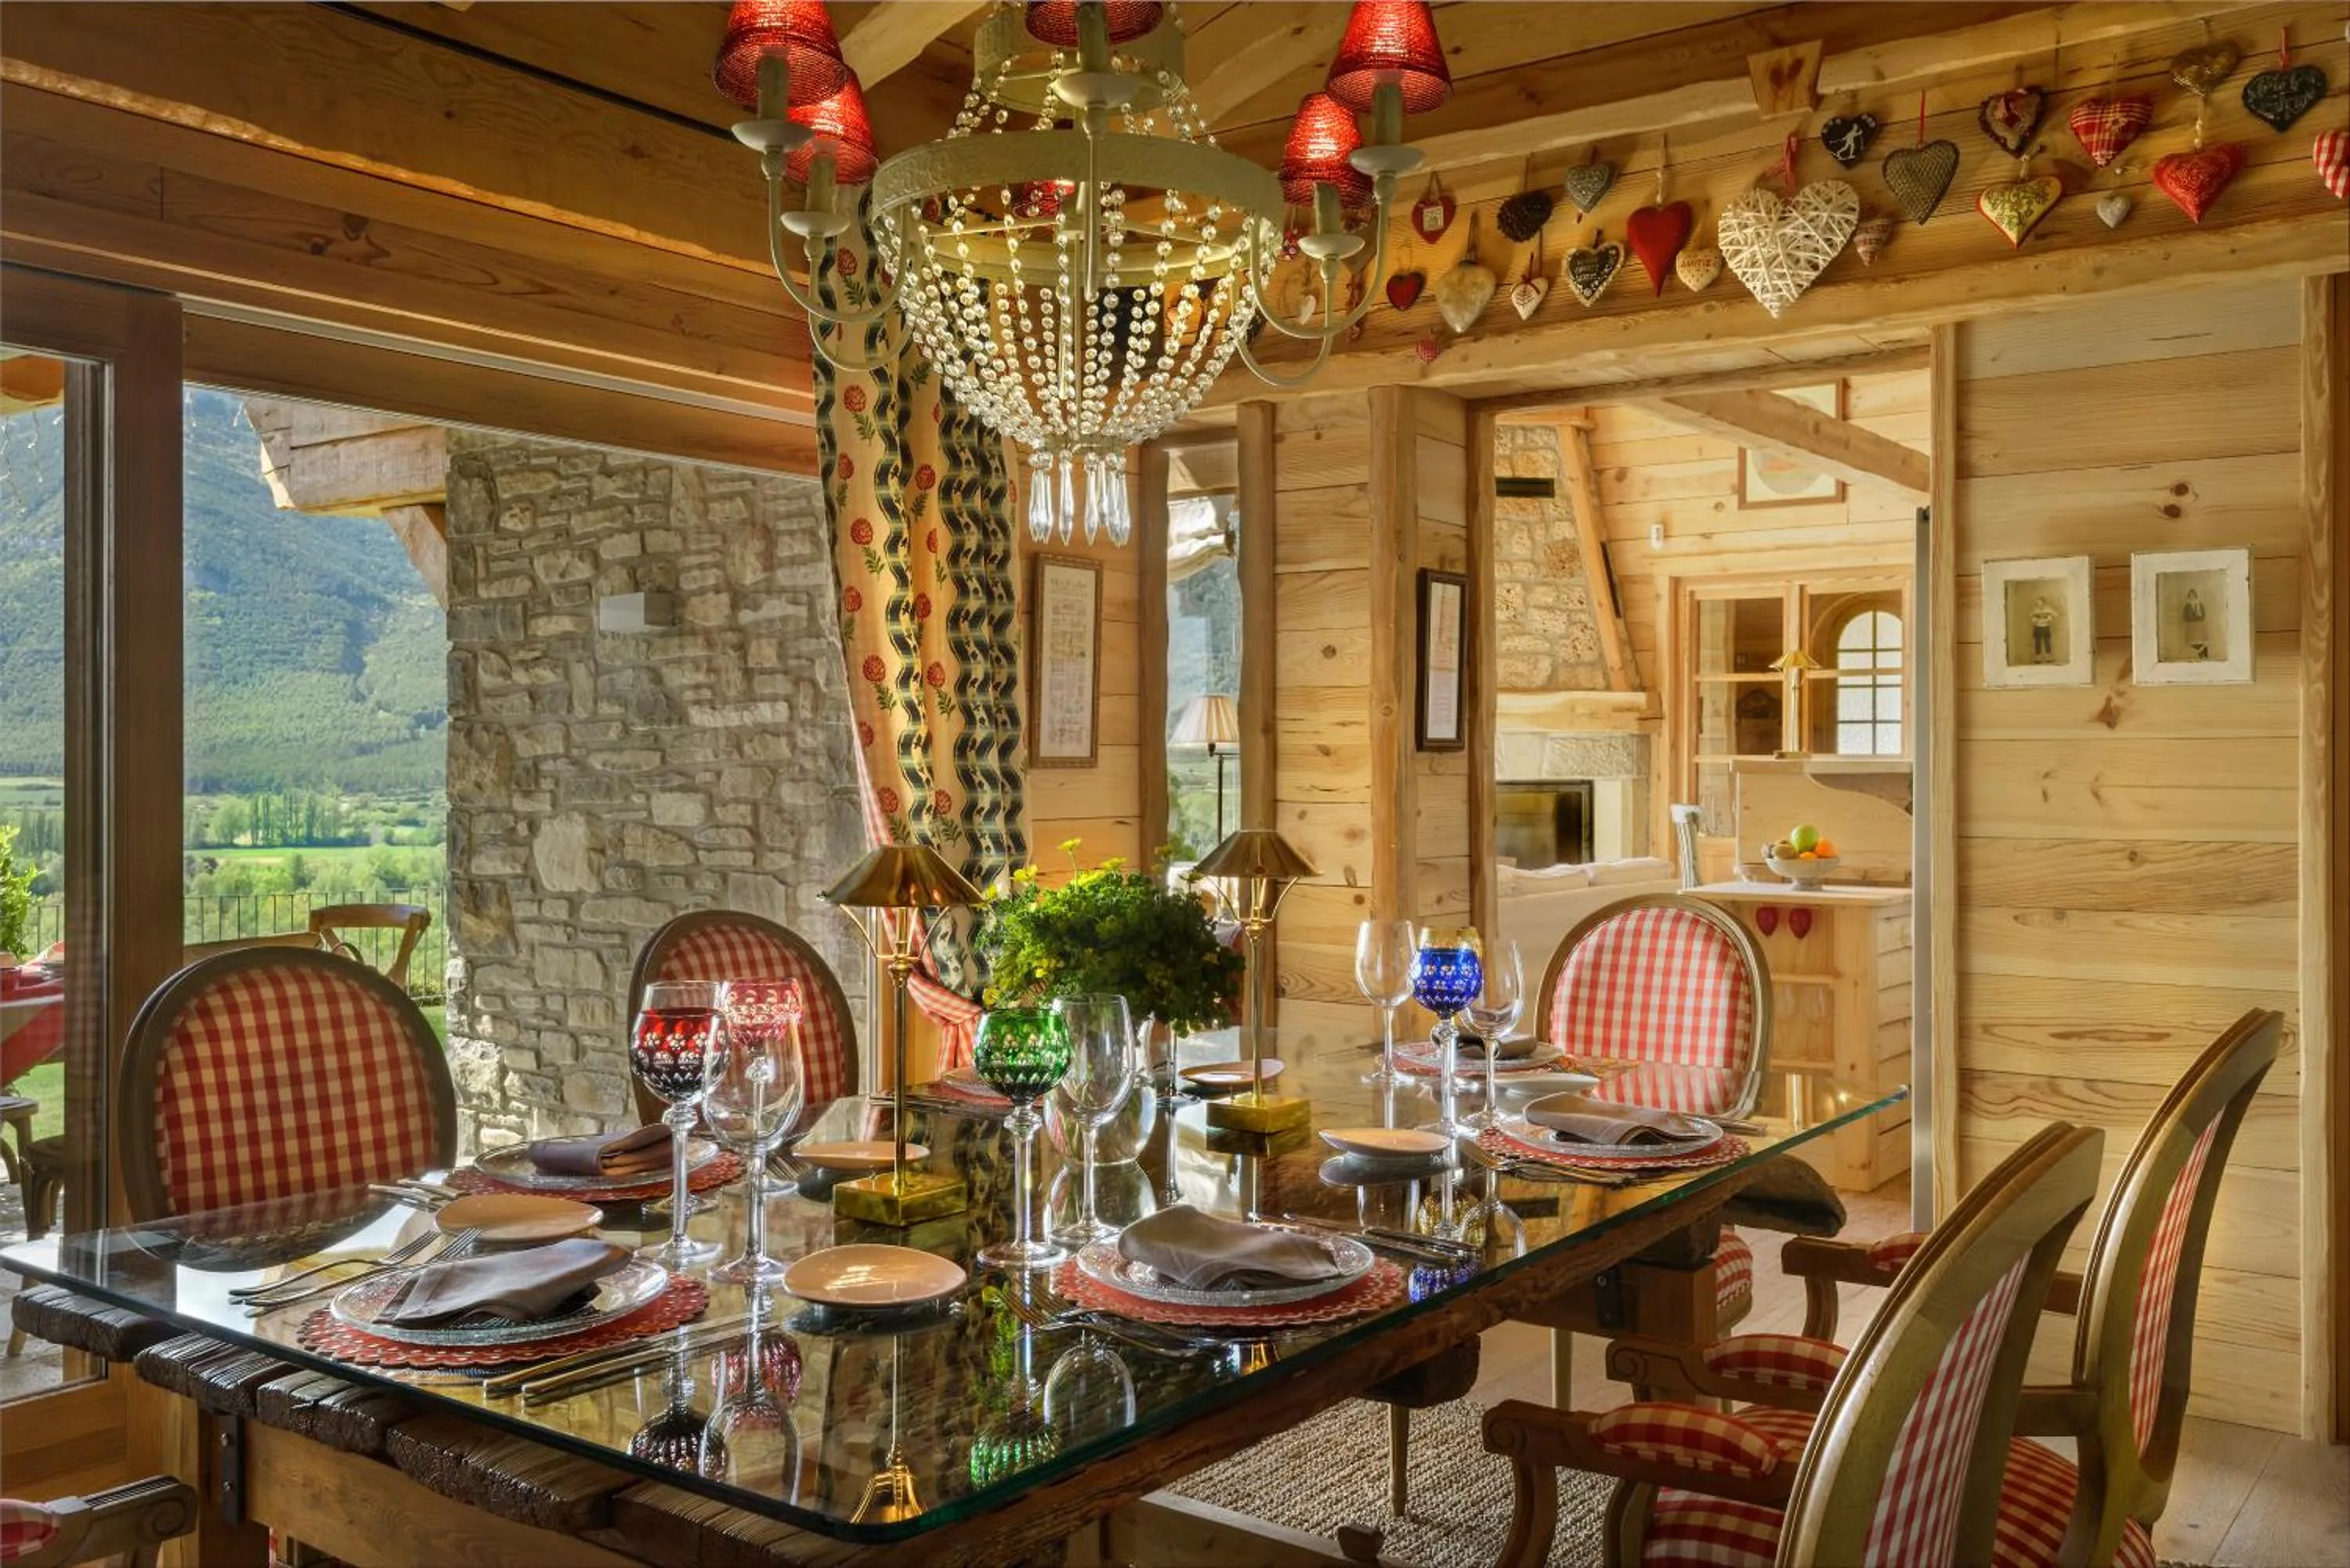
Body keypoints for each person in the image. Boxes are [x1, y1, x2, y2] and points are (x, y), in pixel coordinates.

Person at [2030, 595, 2057, 660]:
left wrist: (2049, 618)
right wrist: (2035, 619)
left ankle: (2048, 657)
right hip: (2038, 627)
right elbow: (2031, 617)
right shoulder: (2035, 609)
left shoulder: (2048, 609)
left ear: (2043, 602)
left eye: (2040, 602)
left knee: (2047, 642)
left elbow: (2055, 615)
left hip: (2045, 627)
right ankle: (2038, 658)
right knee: (2037, 642)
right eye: (2038, 602)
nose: (2039, 603)